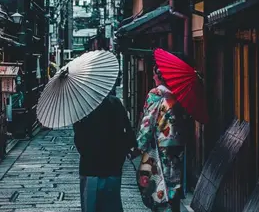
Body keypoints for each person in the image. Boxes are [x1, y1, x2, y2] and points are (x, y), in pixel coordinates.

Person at [130, 65, 186, 212]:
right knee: (173, 180)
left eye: (155, 74)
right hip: (175, 144)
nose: (153, 77)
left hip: (159, 145)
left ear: (160, 76)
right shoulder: (176, 95)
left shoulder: (156, 93)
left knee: (159, 183)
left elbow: (148, 122)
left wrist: (138, 146)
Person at [73, 88, 137, 212]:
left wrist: (86, 152)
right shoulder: (115, 102)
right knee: (112, 203)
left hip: (90, 165)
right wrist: (127, 149)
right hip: (113, 162)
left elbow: (78, 136)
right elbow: (127, 130)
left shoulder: (82, 106)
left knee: (90, 204)